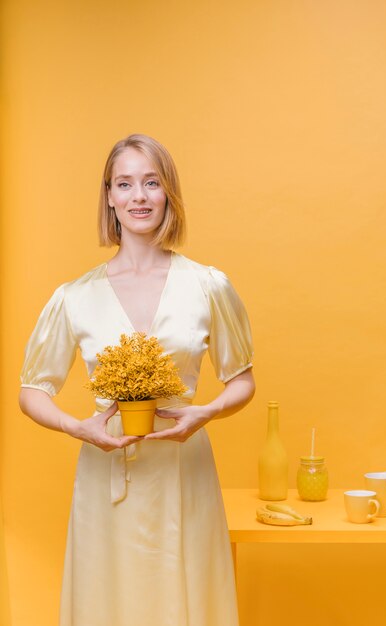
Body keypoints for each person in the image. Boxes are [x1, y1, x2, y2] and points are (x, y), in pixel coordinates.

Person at [19, 134, 255, 626]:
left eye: (151, 182)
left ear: (169, 192)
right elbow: (32, 390)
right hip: (106, 479)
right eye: (125, 184)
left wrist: (206, 412)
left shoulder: (207, 286)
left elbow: (242, 381)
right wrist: (76, 427)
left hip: (182, 472)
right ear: (109, 196)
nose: (139, 196)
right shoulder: (75, 296)